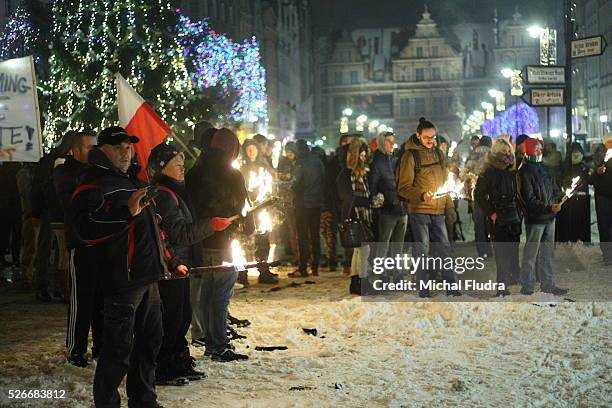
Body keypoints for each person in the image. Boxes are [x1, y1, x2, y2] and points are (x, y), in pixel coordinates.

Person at [71, 126, 173, 407]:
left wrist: (167, 260)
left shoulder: (128, 181)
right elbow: (83, 230)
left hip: (147, 275)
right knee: (117, 350)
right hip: (122, 280)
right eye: (118, 147)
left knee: (149, 342)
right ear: (101, 151)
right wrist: (125, 212)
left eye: (128, 147)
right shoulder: (93, 183)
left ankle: (143, 401)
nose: (126, 152)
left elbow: (148, 228)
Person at [149, 142, 232, 384]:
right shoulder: (164, 194)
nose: (182, 168)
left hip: (182, 265)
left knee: (183, 316)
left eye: (183, 163)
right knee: (173, 317)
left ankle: (179, 362)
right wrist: (210, 225)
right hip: (171, 265)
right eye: (177, 163)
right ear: (163, 167)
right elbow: (177, 234)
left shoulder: (175, 191)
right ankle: (164, 368)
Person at [186, 128, 252, 362]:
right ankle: (218, 345)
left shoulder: (194, 172)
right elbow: (241, 209)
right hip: (225, 242)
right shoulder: (232, 175)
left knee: (207, 295)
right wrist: (248, 226)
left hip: (200, 241)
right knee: (221, 296)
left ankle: (208, 339)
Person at [53, 130, 101, 367]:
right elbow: (71, 200)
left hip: (102, 244)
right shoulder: (64, 172)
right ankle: (76, 349)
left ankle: (101, 345)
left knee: (101, 297)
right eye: (89, 147)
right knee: (82, 298)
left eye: (96, 147)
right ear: (75, 150)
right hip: (81, 243)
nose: (94, 152)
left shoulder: (98, 172)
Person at [397, 118, 459, 298]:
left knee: (445, 249)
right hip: (420, 211)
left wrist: (449, 208)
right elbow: (403, 187)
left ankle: (451, 287)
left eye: (433, 137)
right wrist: (422, 195)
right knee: (422, 250)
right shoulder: (410, 156)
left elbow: (445, 183)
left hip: (439, 211)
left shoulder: (439, 154)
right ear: (418, 135)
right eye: (427, 137)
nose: (431, 140)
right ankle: (423, 288)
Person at [517, 137, 567, 296]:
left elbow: (553, 188)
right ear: (529, 150)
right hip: (536, 220)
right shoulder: (524, 172)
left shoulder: (545, 169)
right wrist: (547, 207)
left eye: (540, 148)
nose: (539, 151)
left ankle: (548, 285)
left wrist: (560, 196)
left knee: (547, 253)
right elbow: (528, 199)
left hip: (549, 218)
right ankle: (527, 286)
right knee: (531, 253)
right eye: (536, 148)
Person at [31, 131, 76, 302]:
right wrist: (36, 212)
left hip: (54, 211)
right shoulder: (53, 162)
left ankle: (55, 287)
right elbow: (38, 188)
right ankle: (44, 287)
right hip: (49, 211)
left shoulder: (53, 161)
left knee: (58, 252)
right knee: (47, 251)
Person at [474, 138, 522, 295]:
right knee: (501, 254)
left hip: (514, 217)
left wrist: (520, 211)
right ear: (495, 153)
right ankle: (501, 287)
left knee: (513, 251)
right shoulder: (489, 172)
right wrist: (492, 213)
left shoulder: (512, 170)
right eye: (503, 151)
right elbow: (479, 194)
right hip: (498, 217)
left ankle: (512, 278)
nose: (507, 154)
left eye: (509, 151)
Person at [239, 138, 278, 284]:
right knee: (246, 242)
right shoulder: (241, 168)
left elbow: (270, 186)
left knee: (263, 240)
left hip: (262, 209)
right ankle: (243, 274)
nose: (251, 151)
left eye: (253, 148)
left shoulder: (263, 166)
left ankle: (264, 270)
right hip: (248, 210)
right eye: (248, 149)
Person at [337, 138, 373, 295]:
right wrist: (369, 201)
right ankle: (362, 281)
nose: (364, 159)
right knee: (364, 250)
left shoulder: (362, 173)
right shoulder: (347, 174)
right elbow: (349, 197)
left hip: (361, 214)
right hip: (355, 215)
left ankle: (355, 282)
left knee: (359, 251)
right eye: (362, 155)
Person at [369, 131, 407, 263]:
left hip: (402, 209)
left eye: (393, 140)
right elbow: (372, 187)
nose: (392, 143)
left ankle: (397, 273)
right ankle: (381, 273)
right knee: (383, 245)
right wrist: (381, 199)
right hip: (387, 210)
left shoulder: (396, 159)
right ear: (381, 143)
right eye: (388, 141)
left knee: (399, 246)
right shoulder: (377, 162)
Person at [289, 140, 324, 277]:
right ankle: (315, 266)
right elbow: (323, 179)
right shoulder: (317, 162)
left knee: (303, 236)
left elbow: (296, 184)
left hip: (302, 205)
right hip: (316, 204)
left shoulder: (300, 163)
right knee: (315, 235)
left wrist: (290, 186)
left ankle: (303, 266)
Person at [327, 134, 354, 275]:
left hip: (339, 202)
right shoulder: (340, 163)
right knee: (345, 232)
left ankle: (344, 262)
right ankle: (346, 263)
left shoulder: (334, 161)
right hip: (340, 202)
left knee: (344, 232)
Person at [556, 142, 591, 243]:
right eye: (574, 152)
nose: (576, 154)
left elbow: (587, 180)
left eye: (578, 152)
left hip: (581, 199)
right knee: (568, 221)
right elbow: (561, 178)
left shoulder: (584, 166)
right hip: (568, 198)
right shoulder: (565, 165)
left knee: (580, 221)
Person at [312, 146, 338, 271]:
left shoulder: (319, 169)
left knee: (324, 233)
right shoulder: (328, 167)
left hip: (321, 205)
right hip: (327, 205)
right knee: (329, 234)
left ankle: (328, 258)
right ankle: (330, 258)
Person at [592, 132, 612, 265]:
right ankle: (608, 255)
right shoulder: (599, 155)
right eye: (609, 142)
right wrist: (597, 172)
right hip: (603, 195)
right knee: (604, 226)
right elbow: (591, 177)